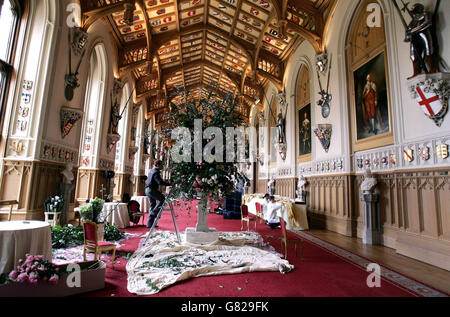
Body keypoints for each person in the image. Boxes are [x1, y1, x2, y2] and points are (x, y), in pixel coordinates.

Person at [146, 160, 171, 228]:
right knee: (162, 199)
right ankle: (154, 213)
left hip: (148, 190)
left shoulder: (151, 171)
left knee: (152, 205)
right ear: (158, 165)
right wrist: (168, 184)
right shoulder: (156, 172)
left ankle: (150, 224)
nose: (162, 166)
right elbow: (159, 182)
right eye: (161, 165)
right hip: (152, 190)